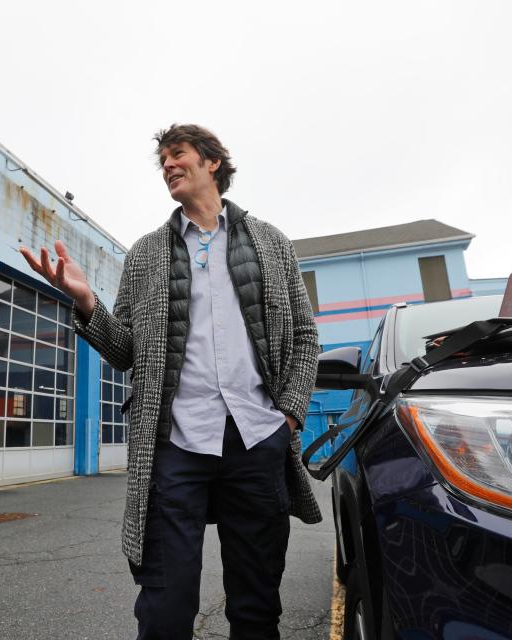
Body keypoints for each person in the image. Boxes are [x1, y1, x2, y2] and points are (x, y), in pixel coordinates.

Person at [20, 123, 321, 639]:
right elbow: (125, 351)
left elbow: (305, 337)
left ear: (211, 163)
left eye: (177, 154)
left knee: (256, 602)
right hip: (174, 443)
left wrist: (287, 415)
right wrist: (86, 303)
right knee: (163, 606)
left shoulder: (270, 243)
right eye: (162, 160)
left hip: (254, 437)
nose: (167, 166)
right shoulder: (145, 253)